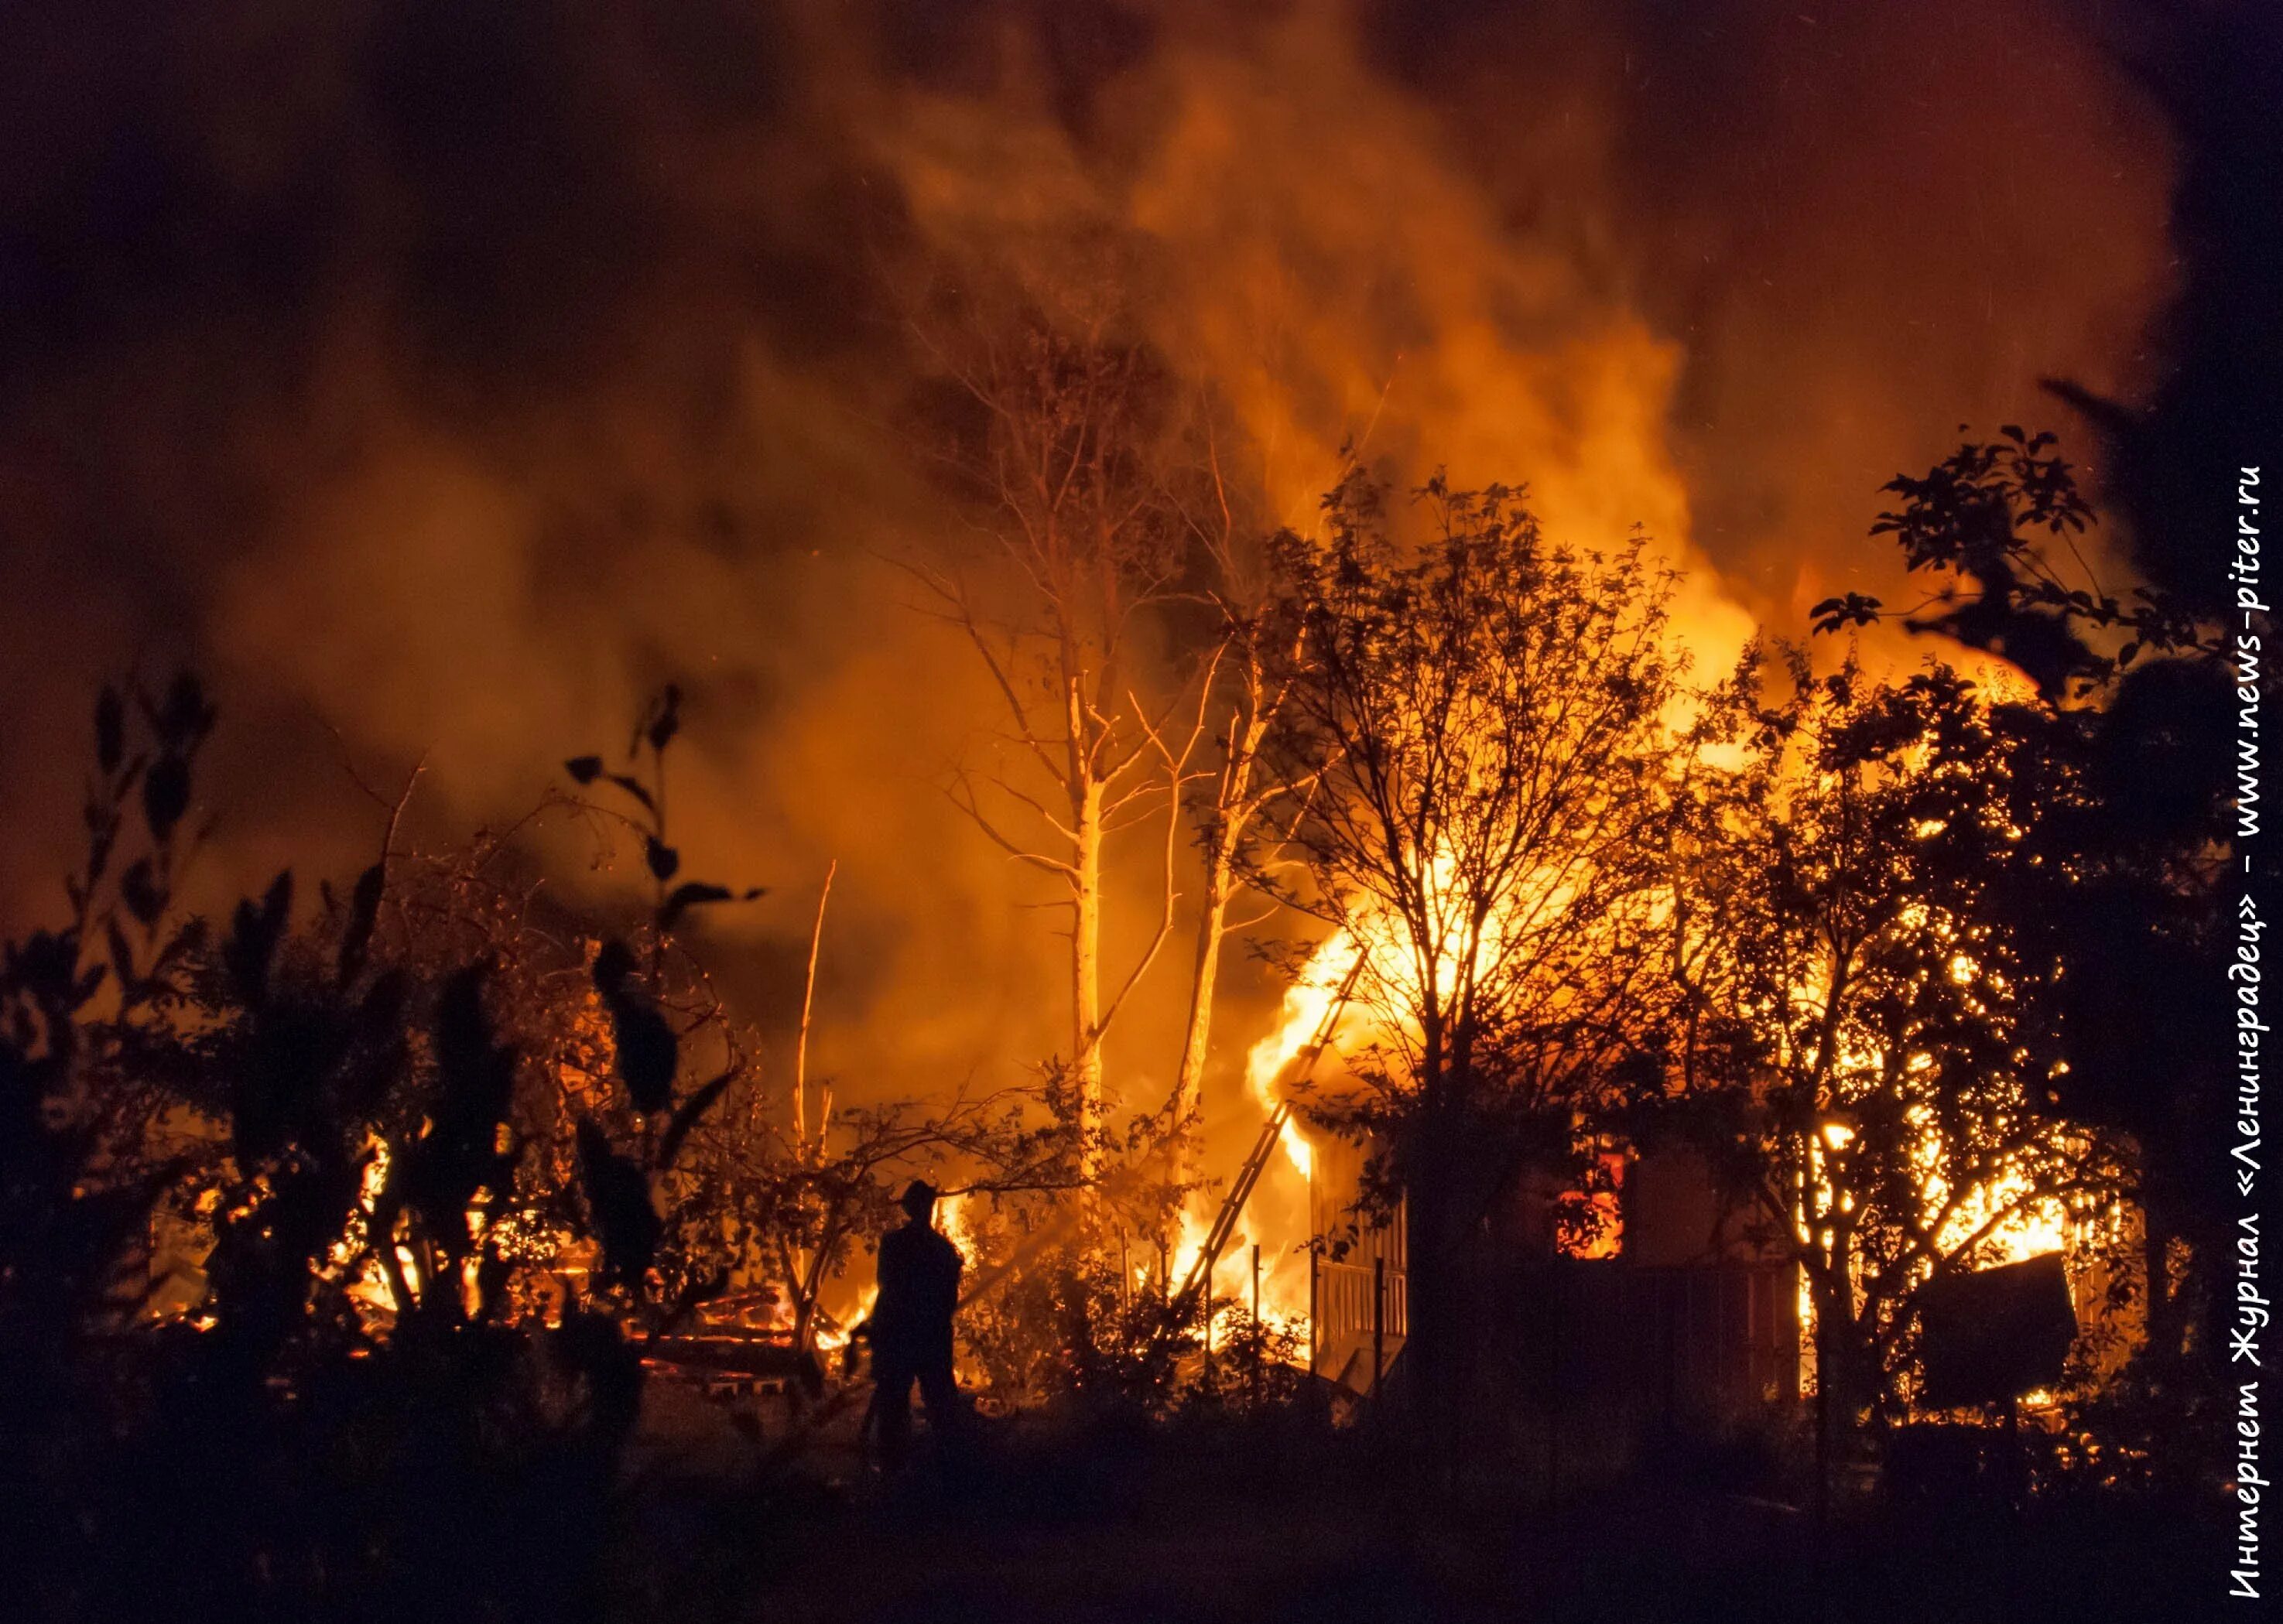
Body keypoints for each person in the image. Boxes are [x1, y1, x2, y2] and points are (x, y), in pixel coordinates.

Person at [867, 1178, 964, 1472]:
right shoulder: (944, 1250)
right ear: (929, 1209)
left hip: (898, 1334)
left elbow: (885, 1284)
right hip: (930, 1336)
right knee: (940, 1401)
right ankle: (949, 1468)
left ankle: (894, 1467)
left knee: (894, 1403)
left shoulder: (893, 1244)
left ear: (909, 1208)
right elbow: (949, 1299)